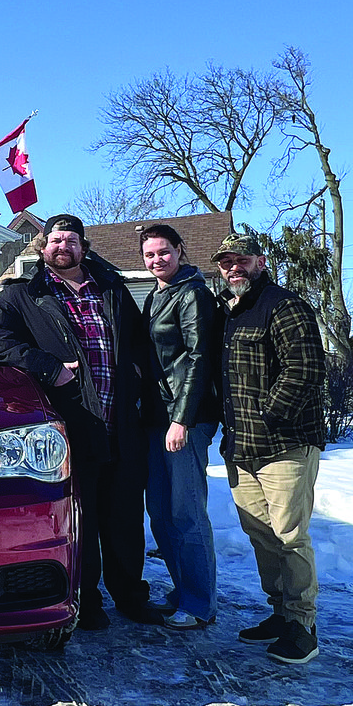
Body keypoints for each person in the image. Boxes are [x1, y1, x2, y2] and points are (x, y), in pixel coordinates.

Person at [0, 213, 162, 630]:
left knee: (125, 519)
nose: (63, 246)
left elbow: (139, 340)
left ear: (84, 246)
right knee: (82, 519)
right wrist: (47, 367)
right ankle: (88, 600)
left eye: (71, 240)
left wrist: (138, 378)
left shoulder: (112, 288)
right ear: (43, 247)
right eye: (56, 240)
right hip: (71, 424)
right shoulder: (22, 295)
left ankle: (131, 597)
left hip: (122, 421)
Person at [213, 232, 326, 664]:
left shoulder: (284, 306)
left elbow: (305, 369)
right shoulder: (228, 312)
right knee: (261, 535)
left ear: (260, 261)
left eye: (241, 259)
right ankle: (280, 613)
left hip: (284, 444)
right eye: (225, 262)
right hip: (241, 446)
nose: (233, 267)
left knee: (290, 536)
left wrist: (268, 414)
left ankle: (302, 624)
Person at [139, 223, 220, 630]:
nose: (157, 260)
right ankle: (182, 588)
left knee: (186, 511)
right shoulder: (156, 296)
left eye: (163, 252)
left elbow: (199, 358)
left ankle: (200, 602)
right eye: (149, 254)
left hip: (184, 419)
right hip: (156, 418)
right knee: (160, 512)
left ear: (180, 250)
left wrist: (182, 419)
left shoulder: (192, 294)